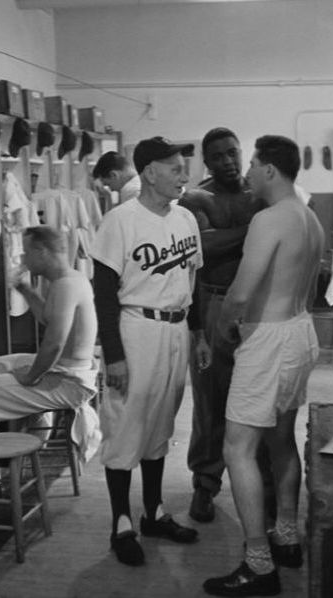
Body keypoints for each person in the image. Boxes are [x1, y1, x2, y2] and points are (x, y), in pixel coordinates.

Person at [203, 135, 324, 597]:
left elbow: (239, 290)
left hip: (271, 337)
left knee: (237, 448)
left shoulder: (269, 219)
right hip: (299, 329)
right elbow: (309, 286)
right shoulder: (308, 218)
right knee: (280, 439)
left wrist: (224, 329)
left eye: (253, 163)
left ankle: (259, 564)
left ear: (271, 169)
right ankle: (287, 537)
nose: (248, 171)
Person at [90, 136, 211, 567]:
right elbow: (103, 293)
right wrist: (114, 354)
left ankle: (154, 513)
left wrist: (197, 335)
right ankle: (120, 523)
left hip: (176, 330)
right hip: (136, 327)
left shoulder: (186, 220)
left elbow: (191, 286)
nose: (184, 176)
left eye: (184, 168)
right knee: (126, 427)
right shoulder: (120, 221)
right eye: (175, 168)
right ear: (150, 173)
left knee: (160, 426)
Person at [179, 127, 267, 524]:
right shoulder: (197, 197)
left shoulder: (261, 191)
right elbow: (202, 248)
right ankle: (205, 484)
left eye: (233, 152)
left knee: (260, 398)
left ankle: (263, 485)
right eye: (218, 156)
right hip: (213, 302)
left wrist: (228, 236)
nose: (228, 161)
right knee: (210, 399)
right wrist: (256, 231)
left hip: (259, 306)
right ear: (207, 160)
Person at [0, 226, 99, 436]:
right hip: (64, 370)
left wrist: (31, 377)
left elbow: (54, 343)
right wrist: (25, 289)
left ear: (42, 252)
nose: (24, 258)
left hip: (70, 381)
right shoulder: (68, 279)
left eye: (27, 252)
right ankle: (23, 448)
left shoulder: (66, 285)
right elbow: (48, 318)